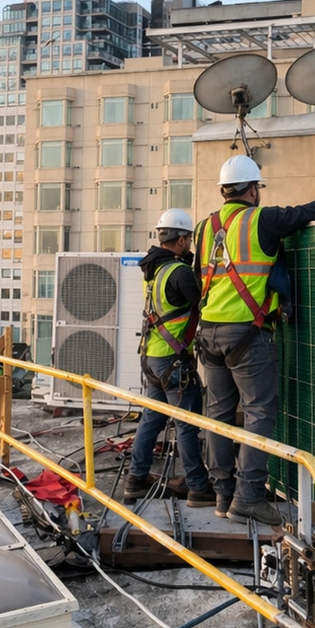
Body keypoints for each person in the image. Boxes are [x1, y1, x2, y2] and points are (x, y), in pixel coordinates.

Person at [194, 154, 315, 526]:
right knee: (258, 412)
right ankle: (248, 497)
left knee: (218, 414)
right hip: (247, 335)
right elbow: (308, 212)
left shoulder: (204, 228)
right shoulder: (261, 220)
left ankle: (222, 495)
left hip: (209, 334)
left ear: (224, 190)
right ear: (253, 189)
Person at [124, 209, 214, 508]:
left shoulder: (154, 270)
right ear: (181, 239)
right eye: (188, 239)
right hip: (171, 361)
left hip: (152, 357)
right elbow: (205, 301)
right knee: (187, 422)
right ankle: (199, 487)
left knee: (153, 418)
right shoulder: (179, 272)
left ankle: (136, 479)